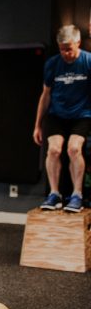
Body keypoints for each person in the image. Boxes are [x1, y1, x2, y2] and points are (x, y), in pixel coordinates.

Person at [33, 24, 91, 212]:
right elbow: (45, 95)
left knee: (74, 149)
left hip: (82, 114)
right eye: (62, 49)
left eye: (69, 49)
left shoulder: (88, 61)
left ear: (78, 42)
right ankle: (54, 194)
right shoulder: (52, 64)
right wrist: (37, 125)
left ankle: (77, 195)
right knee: (54, 150)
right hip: (56, 114)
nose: (66, 53)